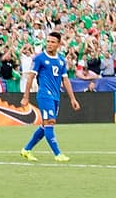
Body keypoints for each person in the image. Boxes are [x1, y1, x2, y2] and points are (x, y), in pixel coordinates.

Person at [19, 31, 81, 162]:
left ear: (59, 44)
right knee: (50, 122)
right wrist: (26, 96)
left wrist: (72, 98)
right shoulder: (39, 58)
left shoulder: (61, 60)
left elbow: (65, 80)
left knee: (45, 124)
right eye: (48, 41)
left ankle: (27, 149)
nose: (49, 44)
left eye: (53, 42)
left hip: (56, 96)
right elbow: (30, 77)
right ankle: (58, 154)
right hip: (44, 95)